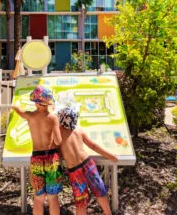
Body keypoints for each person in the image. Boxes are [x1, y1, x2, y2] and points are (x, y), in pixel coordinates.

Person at [12, 85, 62, 215]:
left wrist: (14, 106)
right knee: (53, 197)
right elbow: (58, 141)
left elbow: (17, 109)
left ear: (36, 102)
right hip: (52, 159)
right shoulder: (53, 118)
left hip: (36, 159)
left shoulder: (30, 116)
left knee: (38, 198)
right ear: (48, 102)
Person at [58, 106, 118, 215]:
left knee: (81, 200)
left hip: (75, 171)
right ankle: (108, 213)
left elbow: (58, 153)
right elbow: (93, 146)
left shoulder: (59, 137)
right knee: (99, 191)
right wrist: (110, 156)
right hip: (88, 164)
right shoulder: (79, 130)